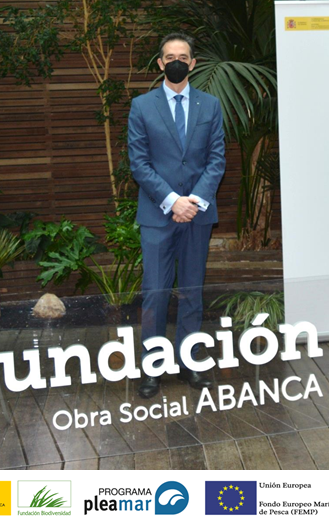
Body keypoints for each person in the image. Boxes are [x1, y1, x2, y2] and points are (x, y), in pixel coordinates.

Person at [127, 32, 226, 398]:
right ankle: (152, 367)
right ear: (160, 63)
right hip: (157, 216)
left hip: (197, 216)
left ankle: (190, 362)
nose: (176, 62)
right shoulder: (142, 106)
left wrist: (193, 201)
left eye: (183, 57)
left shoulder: (210, 106)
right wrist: (172, 201)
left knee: (191, 292)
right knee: (155, 294)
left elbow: (217, 160)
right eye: (170, 57)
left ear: (193, 63)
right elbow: (139, 163)